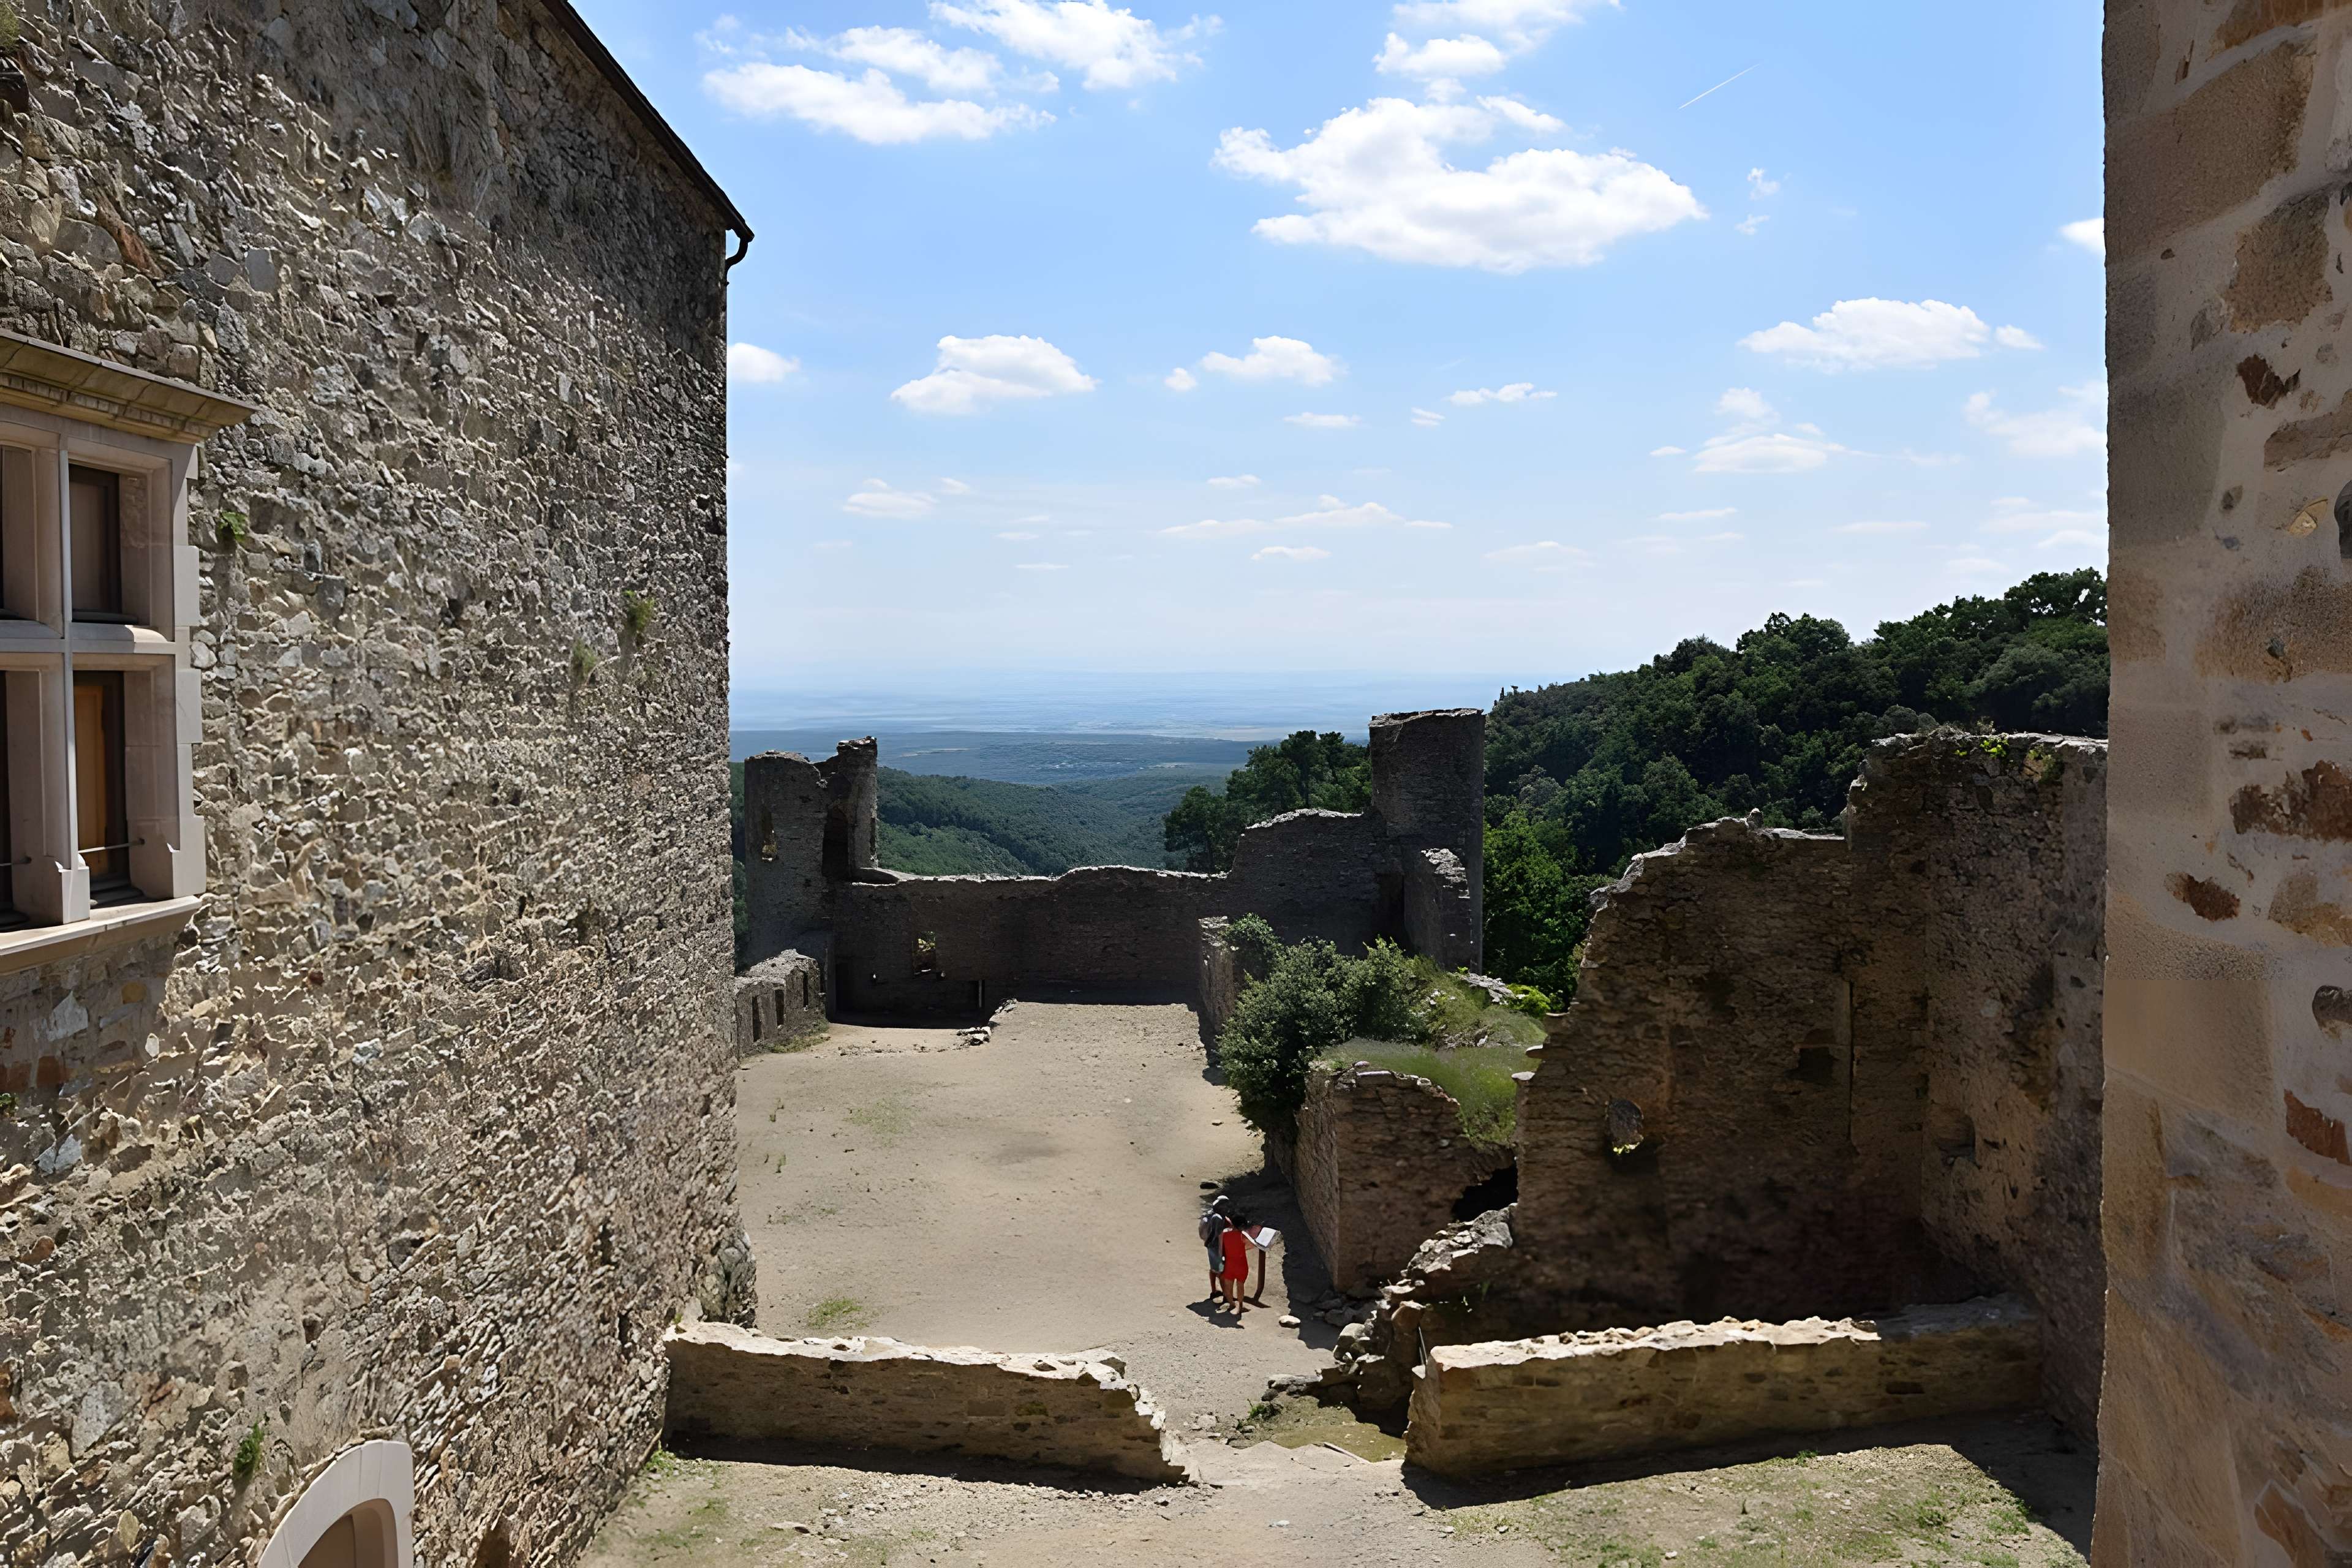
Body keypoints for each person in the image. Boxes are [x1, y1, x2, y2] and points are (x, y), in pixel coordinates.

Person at [1197, 1195, 1233, 1302]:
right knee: (1221, 1272)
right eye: (1226, 1206)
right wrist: (1220, 1252)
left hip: (1212, 1247)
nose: (1227, 1208)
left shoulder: (1212, 1214)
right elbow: (1217, 1235)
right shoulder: (1219, 1218)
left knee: (1214, 1270)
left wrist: (1207, 1243)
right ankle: (1226, 1296)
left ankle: (1214, 1291)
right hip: (1217, 1248)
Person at [1218, 1210, 1254, 1313]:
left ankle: (1231, 1304)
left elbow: (1220, 1249)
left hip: (1229, 1264)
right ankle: (1240, 1306)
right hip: (1241, 1264)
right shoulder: (1243, 1236)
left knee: (1228, 1286)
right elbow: (1250, 1246)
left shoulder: (1224, 1234)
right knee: (1240, 1286)